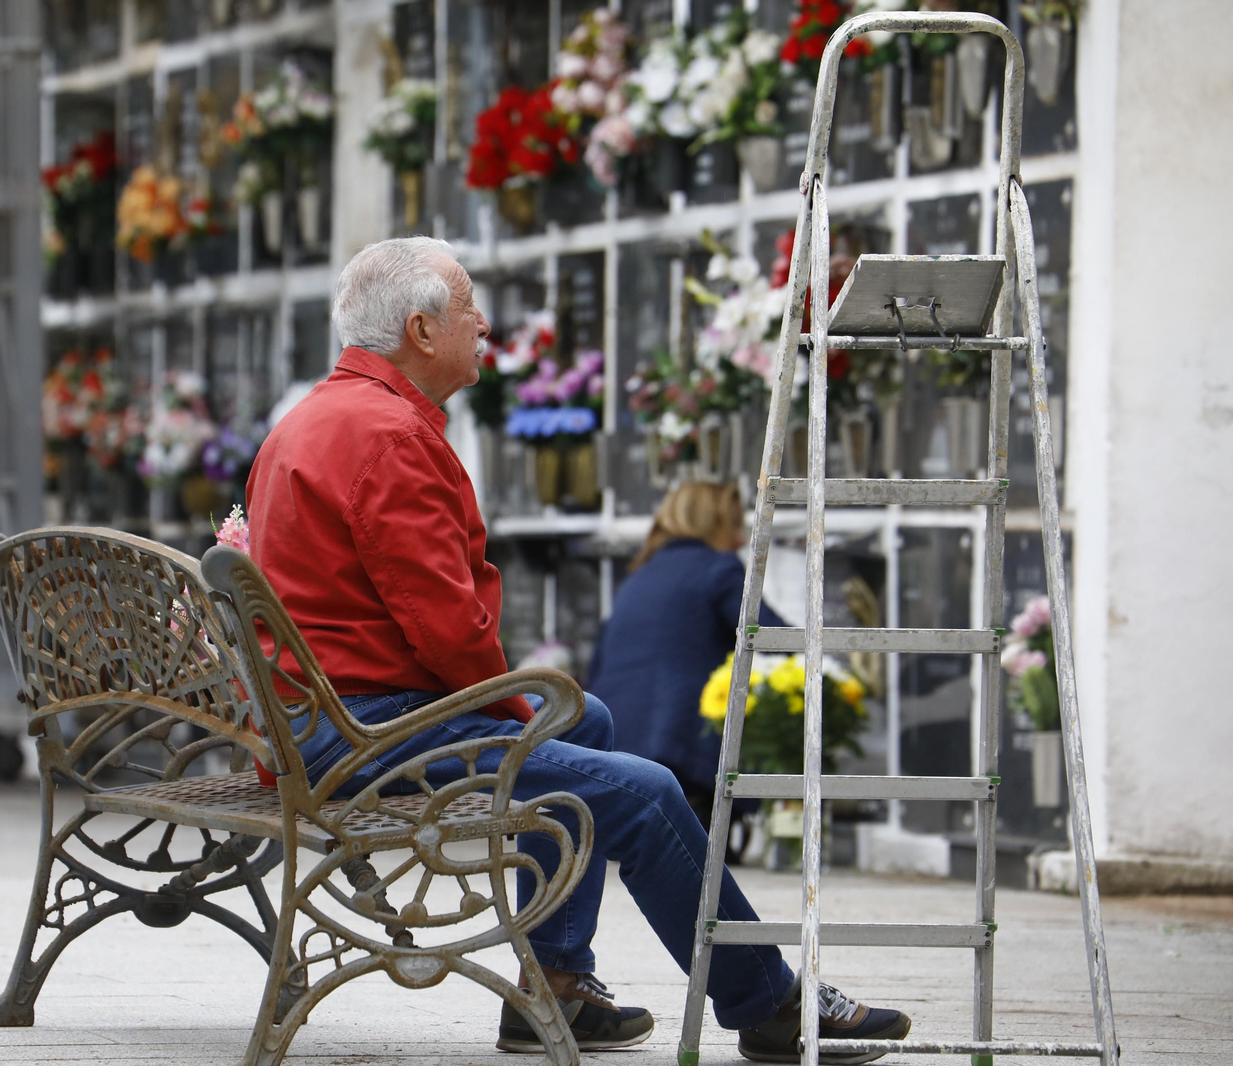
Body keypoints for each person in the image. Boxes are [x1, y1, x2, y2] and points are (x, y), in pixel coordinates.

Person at [245, 236, 910, 1063]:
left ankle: (553, 985)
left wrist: (533, 711)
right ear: (421, 330)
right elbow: (448, 632)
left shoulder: (313, 419)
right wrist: (520, 713)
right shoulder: (387, 436)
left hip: (323, 719)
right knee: (646, 791)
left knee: (587, 720)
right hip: (369, 734)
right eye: (467, 308)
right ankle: (770, 1004)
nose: (484, 324)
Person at [587, 481, 787, 853]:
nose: (742, 540)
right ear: (710, 524)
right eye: (733, 525)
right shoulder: (719, 569)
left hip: (616, 743)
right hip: (682, 751)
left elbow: (598, 665)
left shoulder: (637, 577)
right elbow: (777, 640)